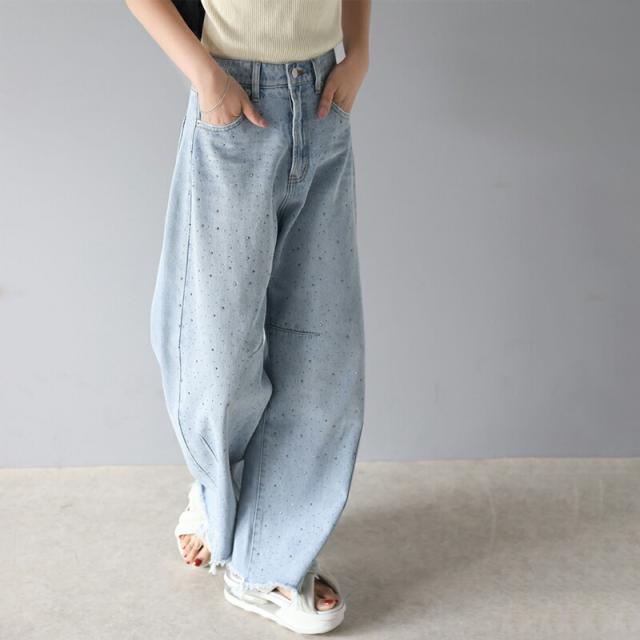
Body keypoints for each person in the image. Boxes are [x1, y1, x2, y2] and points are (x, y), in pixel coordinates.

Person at [125, 0, 370, 633]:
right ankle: (219, 498)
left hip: (322, 98)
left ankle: (270, 562)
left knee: (322, 351)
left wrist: (358, 51)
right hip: (235, 97)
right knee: (217, 354)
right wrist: (205, 77)